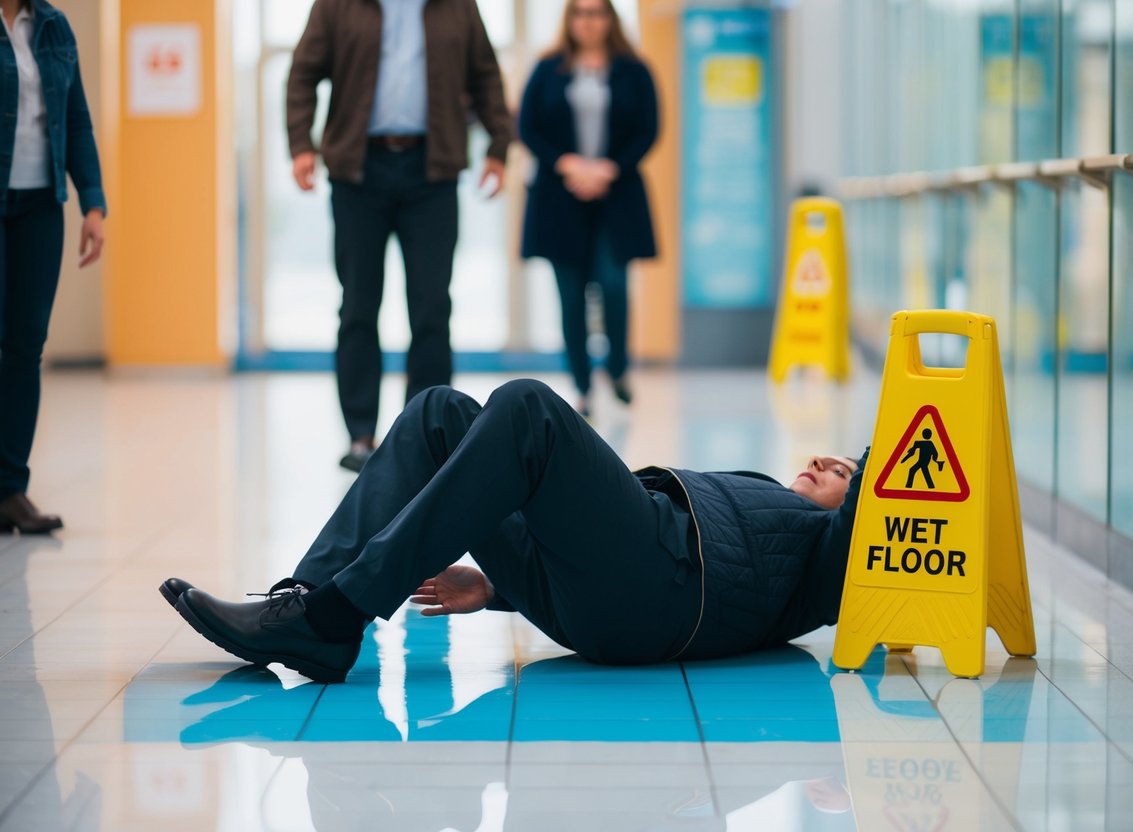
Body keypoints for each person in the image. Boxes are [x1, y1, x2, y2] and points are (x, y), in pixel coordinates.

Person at [160, 378, 865, 683]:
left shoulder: (822, 561)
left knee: (528, 408)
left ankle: (335, 613)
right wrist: (498, 586)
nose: (818, 462)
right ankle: (310, 605)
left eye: (838, 469)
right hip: (601, 587)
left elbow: (881, 495)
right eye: (823, 456)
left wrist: (872, 466)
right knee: (439, 413)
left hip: (663, 588)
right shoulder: (771, 502)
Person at [286, 0, 513, 472]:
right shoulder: (337, 5)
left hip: (432, 172)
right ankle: (360, 435)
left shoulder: (458, 7)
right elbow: (304, 73)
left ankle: (424, 433)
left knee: (431, 305)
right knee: (358, 305)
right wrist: (301, 144)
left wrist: (498, 145)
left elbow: (485, 75)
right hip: (357, 171)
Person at [518, 0, 658, 418]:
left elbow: (649, 128)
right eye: (581, 12)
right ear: (570, 19)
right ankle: (581, 386)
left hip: (616, 194)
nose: (589, 21)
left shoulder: (634, 69)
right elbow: (527, 126)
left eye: (597, 13)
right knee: (570, 296)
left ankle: (616, 368)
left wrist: (608, 168)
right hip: (560, 198)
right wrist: (570, 164)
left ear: (610, 19)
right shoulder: (548, 69)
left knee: (613, 284)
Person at [0, 0, 105, 534]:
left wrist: (93, 202)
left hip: (40, 206)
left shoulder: (53, 24)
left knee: (25, 346)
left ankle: (10, 489)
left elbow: (77, 118)